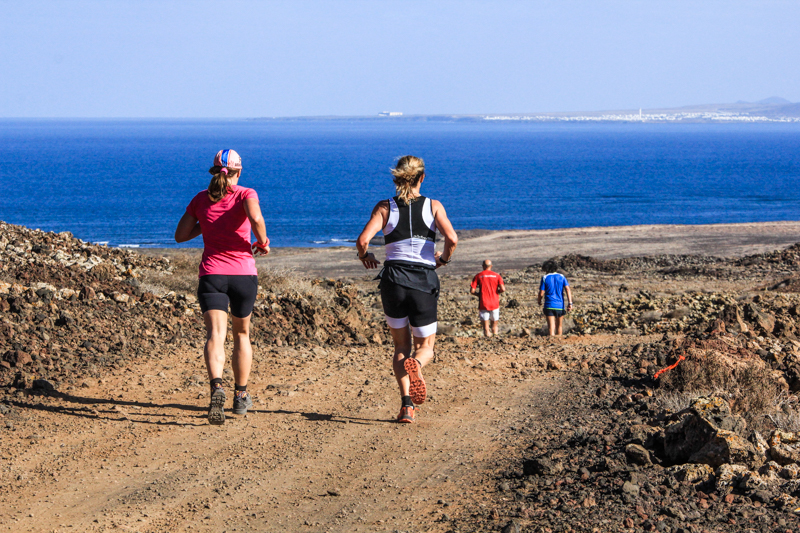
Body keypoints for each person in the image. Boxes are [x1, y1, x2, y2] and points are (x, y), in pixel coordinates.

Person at [356, 155, 457, 424]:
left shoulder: (384, 207)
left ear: (396, 178)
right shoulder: (433, 206)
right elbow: (452, 238)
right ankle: (418, 364)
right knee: (426, 346)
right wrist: (443, 260)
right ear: (422, 177)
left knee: (401, 346)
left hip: (393, 281)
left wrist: (365, 256)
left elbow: (363, 240)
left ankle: (407, 407)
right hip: (423, 280)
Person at [174, 149, 270, 425]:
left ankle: (217, 387)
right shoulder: (246, 194)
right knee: (241, 334)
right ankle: (240, 396)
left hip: (212, 275)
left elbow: (180, 236)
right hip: (243, 275)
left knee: (215, 334)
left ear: (214, 171)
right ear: (239, 172)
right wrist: (262, 242)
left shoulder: (200, 199)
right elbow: (256, 219)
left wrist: (207, 223)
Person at [470, 260, 505, 337]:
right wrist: (496, 292)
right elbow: (503, 289)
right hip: (495, 303)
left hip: (484, 303)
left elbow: (472, 291)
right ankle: (495, 339)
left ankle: (487, 340)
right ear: (491, 266)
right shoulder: (497, 276)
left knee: (486, 329)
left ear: (483, 266)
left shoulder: (478, 275)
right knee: (494, 327)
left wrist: (479, 295)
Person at [537, 260, 573, 336]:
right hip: (560, 306)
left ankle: (552, 341)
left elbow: (541, 292)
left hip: (549, 305)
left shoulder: (545, 278)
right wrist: (570, 303)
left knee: (551, 327)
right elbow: (567, 289)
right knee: (559, 326)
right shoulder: (562, 277)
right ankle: (559, 341)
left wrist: (539, 300)